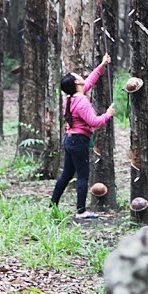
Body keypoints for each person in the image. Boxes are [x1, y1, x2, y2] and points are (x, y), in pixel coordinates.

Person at [51, 53, 116, 219]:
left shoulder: (73, 97)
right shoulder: (82, 102)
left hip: (70, 140)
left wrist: (102, 65)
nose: (80, 76)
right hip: (79, 141)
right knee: (83, 176)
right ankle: (81, 211)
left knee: (66, 174)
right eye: (76, 76)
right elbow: (94, 121)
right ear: (76, 83)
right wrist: (108, 114)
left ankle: (53, 205)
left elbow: (90, 81)